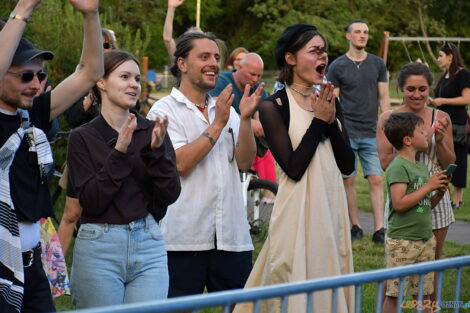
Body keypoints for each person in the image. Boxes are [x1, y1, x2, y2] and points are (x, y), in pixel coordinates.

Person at [234, 24, 355, 313]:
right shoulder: (273, 106)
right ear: (290, 58)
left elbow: (348, 164)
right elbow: (294, 167)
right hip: (298, 206)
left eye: (324, 50)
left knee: (328, 274)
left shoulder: (328, 99)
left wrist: (328, 117)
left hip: (330, 202)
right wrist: (318, 122)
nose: (322, 56)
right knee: (291, 275)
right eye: (314, 50)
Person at [0, 0, 104, 312]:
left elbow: (91, 72)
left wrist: (90, 14)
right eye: (24, 76)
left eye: (39, 75)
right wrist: (25, 8)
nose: (35, 84)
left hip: (32, 266)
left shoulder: (32, 115)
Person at [147, 31, 262, 298]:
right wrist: (218, 124)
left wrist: (244, 120)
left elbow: (245, 162)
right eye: (204, 56)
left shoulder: (226, 109)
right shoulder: (163, 111)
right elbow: (179, 163)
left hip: (232, 238)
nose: (213, 63)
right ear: (182, 64)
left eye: (216, 57)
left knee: (239, 308)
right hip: (183, 240)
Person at [67, 50, 181, 308]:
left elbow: (170, 193)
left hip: (148, 244)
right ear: (102, 82)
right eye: (125, 76)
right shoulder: (82, 137)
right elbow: (92, 202)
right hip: (99, 248)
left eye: (137, 79)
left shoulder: (153, 130)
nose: (134, 84)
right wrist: (119, 152)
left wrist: (156, 153)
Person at [377, 62, 455, 302]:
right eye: (410, 89)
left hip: (436, 199)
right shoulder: (389, 118)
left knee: (431, 263)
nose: (417, 94)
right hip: (405, 195)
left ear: (429, 88)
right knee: (396, 268)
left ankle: (427, 305)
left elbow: (451, 161)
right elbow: (384, 162)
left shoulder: (441, 117)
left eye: (422, 89)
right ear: (401, 88)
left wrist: (439, 141)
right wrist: (412, 144)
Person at [327, 19, 390, 243]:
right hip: (347, 132)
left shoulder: (377, 64)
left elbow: (384, 99)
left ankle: (380, 229)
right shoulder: (336, 66)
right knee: (349, 181)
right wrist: (336, 131)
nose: (362, 35)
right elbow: (332, 101)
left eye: (365, 32)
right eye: (358, 32)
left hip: (372, 132)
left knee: (376, 180)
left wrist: (387, 127)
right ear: (348, 36)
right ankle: (354, 225)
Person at [58, 27, 120, 254]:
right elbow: (69, 116)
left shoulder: (122, 76)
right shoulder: (80, 77)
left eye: (106, 46)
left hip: (115, 152)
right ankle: (53, 273)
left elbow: (135, 110)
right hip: (83, 153)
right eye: (97, 46)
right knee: (72, 213)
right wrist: (85, 106)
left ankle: (101, 259)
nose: (102, 50)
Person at [381, 112, 449, 313]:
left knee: (423, 295)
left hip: (425, 240)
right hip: (403, 241)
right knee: (394, 294)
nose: (426, 133)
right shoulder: (398, 167)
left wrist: (438, 193)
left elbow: (423, 206)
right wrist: (429, 186)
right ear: (408, 140)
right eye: (421, 131)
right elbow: (400, 203)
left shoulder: (420, 167)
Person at [209, 53, 275, 201]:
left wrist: (262, 123)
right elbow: (212, 108)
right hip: (221, 138)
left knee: (267, 148)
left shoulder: (256, 87)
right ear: (238, 67)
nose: (255, 79)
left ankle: (267, 193)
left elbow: (261, 114)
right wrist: (249, 122)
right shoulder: (222, 82)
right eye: (252, 74)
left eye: (259, 76)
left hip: (244, 140)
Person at [431, 43, 470, 209]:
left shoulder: (462, 74)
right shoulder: (444, 76)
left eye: (440, 55)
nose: (438, 59)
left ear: (450, 56)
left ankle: (457, 199)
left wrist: (443, 101)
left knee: (458, 158)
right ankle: (442, 194)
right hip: (443, 123)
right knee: (442, 158)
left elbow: (467, 99)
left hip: (457, 124)